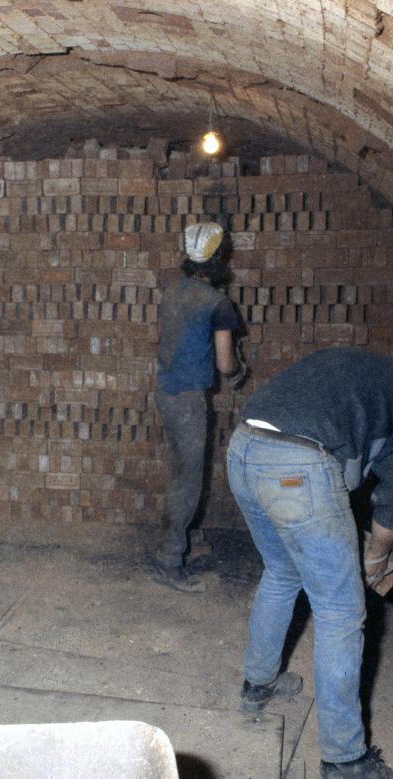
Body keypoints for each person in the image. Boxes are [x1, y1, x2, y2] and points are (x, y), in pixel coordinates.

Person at [225, 344, 393, 779]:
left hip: (244, 448)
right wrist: (376, 557)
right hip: (296, 467)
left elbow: (352, 466)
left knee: (282, 572)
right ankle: (345, 762)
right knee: (341, 613)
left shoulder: (370, 372)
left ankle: (258, 685)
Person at [151, 221, 246, 593]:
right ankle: (169, 559)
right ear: (218, 259)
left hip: (165, 389)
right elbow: (225, 364)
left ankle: (184, 536)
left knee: (181, 471)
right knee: (188, 480)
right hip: (188, 397)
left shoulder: (173, 290)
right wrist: (239, 369)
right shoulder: (218, 304)